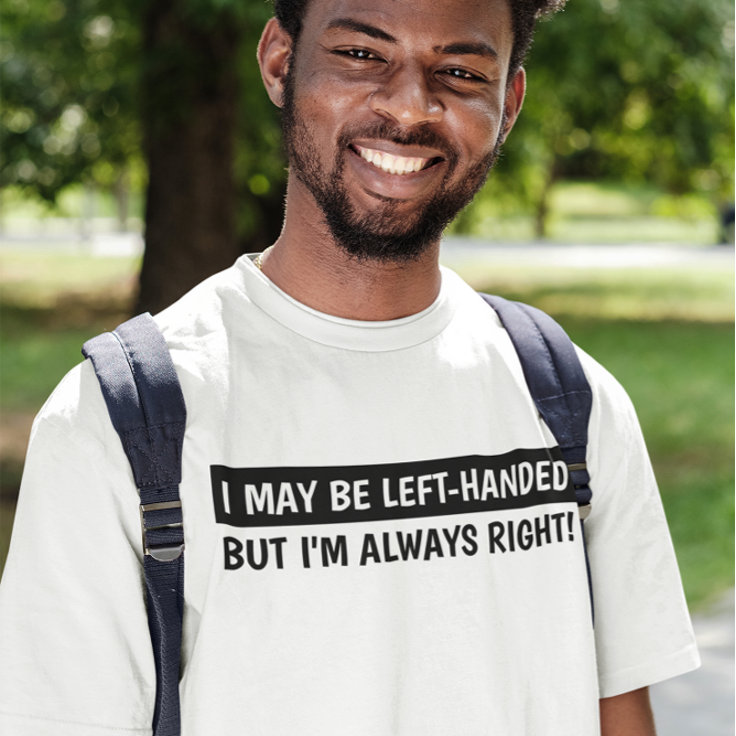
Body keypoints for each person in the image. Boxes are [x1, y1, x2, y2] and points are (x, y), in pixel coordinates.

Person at [0, 0, 700, 734]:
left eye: (459, 72)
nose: (408, 107)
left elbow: (620, 715)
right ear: (280, 61)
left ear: (510, 102)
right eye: (363, 56)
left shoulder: (571, 401)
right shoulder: (119, 422)